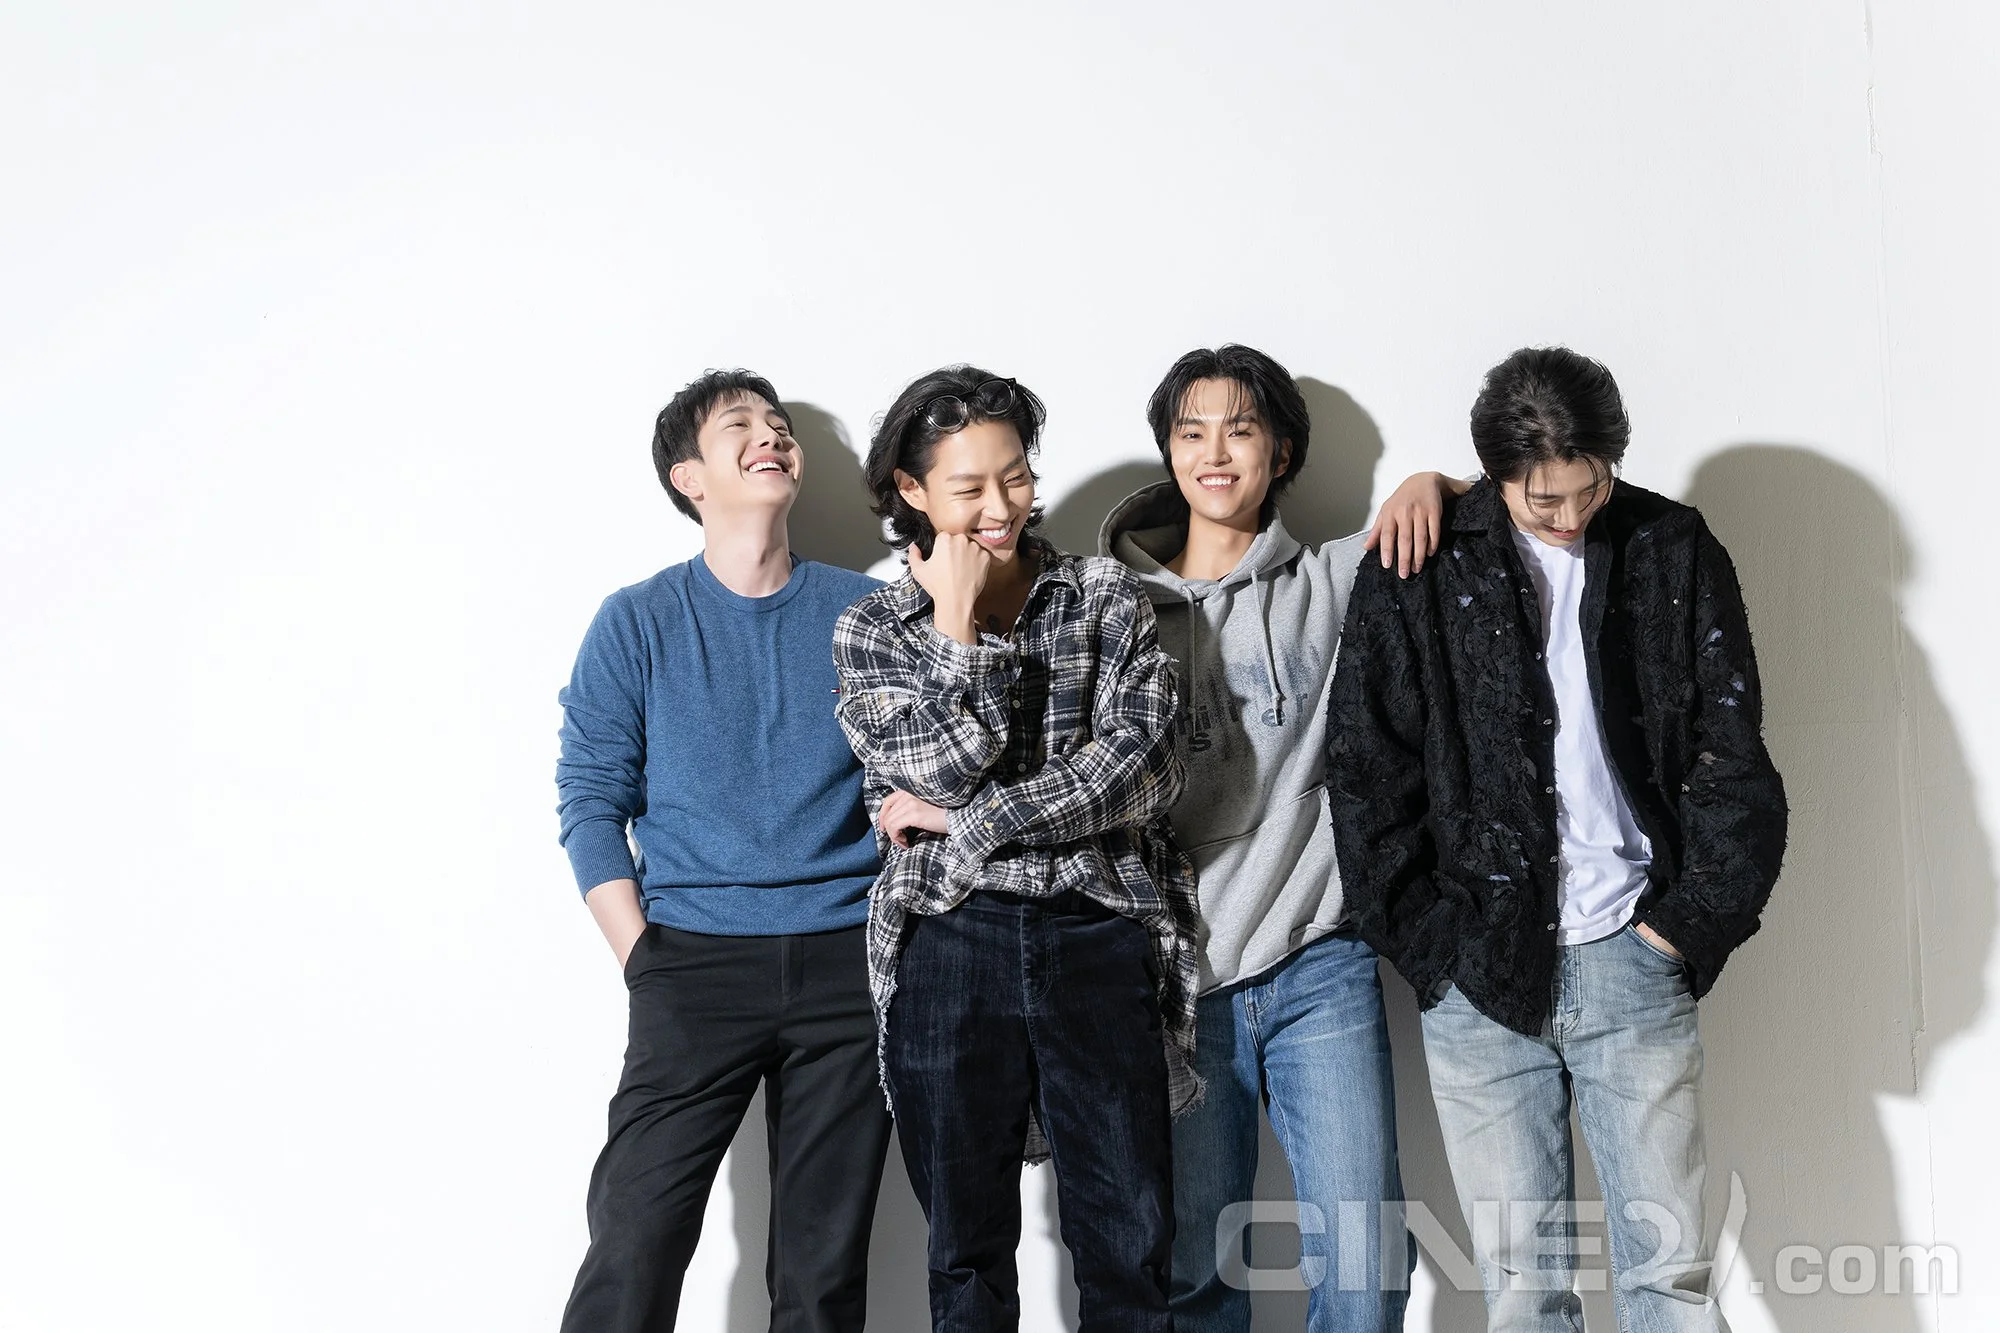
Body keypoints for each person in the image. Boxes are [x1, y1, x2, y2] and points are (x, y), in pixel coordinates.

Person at [1327, 346, 1789, 1332]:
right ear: (1494, 476)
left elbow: (1727, 747)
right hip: (1480, 984)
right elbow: (1367, 768)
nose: (1570, 517)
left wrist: (1683, 929)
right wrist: (1434, 950)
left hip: (1635, 961)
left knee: (1666, 1280)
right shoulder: (1421, 559)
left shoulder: (1671, 545)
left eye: (1590, 489)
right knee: (1523, 1293)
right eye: (1543, 502)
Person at [1099, 343, 1460, 1332]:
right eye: (1189, 431)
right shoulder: (1103, 603)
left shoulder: (1336, 578)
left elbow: (1502, 506)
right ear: (1167, 452)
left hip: (1318, 967)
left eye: (1239, 429)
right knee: (1189, 1273)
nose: (1213, 452)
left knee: (1363, 1262)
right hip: (1173, 980)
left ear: (1283, 450)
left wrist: (1431, 480)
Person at [832, 365, 1199, 1333]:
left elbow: (1145, 772)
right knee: (963, 1252)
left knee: (1128, 1244)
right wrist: (954, 628)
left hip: (1098, 927)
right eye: (967, 489)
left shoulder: (1102, 596)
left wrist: (968, 823)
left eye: (1015, 476)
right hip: (947, 939)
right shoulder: (871, 630)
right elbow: (947, 763)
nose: (1000, 507)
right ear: (909, 492)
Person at [553, 369, 891, 1333]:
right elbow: (589, 802)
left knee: (822, 1275)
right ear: (688, 476)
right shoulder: (637, 620)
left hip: (844, 963)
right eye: (740, 425)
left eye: (781, 426)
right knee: (634, 1243)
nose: (771, 437)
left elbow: (905, 779)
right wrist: (644, 958)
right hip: (690, 961)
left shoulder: (863, 615)